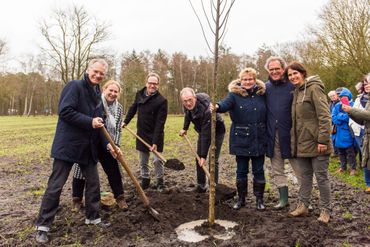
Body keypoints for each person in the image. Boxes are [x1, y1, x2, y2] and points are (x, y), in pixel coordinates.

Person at [35, 59, 115, 243]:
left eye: (101, 73)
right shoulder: (75, 86)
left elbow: (99, 124)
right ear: (88, 70)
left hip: (88, 147)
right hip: (68, 145)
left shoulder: (97, 92)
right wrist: (89, 121)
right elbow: (65, 111)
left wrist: (108, 144)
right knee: (56, 185)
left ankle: (93, 218)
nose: (98, 75)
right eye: (95, 71)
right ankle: (43, 226)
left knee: (94, 183)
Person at [211, 68, 267, 211]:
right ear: (240, 81)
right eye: (245, 79)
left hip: (259, 138)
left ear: (255, 80)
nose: (247, 82)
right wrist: (216, 106)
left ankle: (259, 199)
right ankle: (241, 199)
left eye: (250, 79)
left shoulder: (262, 94)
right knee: (241, 171)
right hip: (241, 138)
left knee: (258, 170)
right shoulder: (234, 95)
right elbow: (224, 104)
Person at [286, 61, 332, 223]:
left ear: (302, 73)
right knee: (305, 177)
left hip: (317, 143)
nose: (292, 77)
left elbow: (325, 116)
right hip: (302, 143)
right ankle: (303, 206)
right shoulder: (296, 92)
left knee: (321, 178)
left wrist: (323, 140)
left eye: (295, 73)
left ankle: (326, 210)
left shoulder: (314, 88)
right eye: (290, 75)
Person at [71, 80, 128, 212]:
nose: (112, 94)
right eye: (110, 90)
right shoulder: (95, 103)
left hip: (109, 144)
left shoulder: (119, 108)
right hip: (90, 141)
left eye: (116, 92)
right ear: (104, 89)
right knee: (80, 170)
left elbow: (118, 129)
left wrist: (116, 145)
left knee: (114, 169)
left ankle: (120, 197)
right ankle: (77, 200)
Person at [264, 56, 299, 209]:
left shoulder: (293, 85)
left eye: (277, 69)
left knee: (299, 169)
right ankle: (283, 199)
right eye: (271, 69)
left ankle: (305, 200)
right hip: (273, 135)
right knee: (277, 169)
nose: (274, 72)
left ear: (283, 69)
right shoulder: (265, 88)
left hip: (291, 134)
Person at [123, 72, 168, 191]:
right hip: (142, 133)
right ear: (146, 83)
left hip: (156, 134)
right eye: (150, 83)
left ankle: (160, 183)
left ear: (158, 85)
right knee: (143, 161)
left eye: (155, 84)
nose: (152, 85)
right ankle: (145, 180)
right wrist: (125, 121)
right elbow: (133, 108)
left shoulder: (162, 101)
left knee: (157, 160)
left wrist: (155, 142)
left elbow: (160, 123)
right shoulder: (139, 94)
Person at [179, 87, 225, 192]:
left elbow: (206, 134)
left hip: (217, 131)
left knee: (212, 159)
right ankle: (201, 185)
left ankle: (213, 187)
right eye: (185, 101)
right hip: (202, 130)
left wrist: (203, 155)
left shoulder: (206, 109)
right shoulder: (186, 105)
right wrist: (185, 128)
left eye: (190, 100)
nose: (188, 103)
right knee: (198, 158)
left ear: (194, 98)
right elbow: (187, 115)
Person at [343, 73, 370, 193]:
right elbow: (363, 121)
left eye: (369, 83)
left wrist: (352, 109)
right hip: (367, 135)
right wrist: (350, 113)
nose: (366, 85)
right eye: (365, 83)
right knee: (366, 160)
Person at [332, 88, 357, 175]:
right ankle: (343, 167)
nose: (343, 98)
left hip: (348, 132)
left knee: (350, 152)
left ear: (349, 97)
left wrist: (340, 116)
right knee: (340, 151)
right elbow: (333, 118)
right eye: (341, 97)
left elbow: (349, 117)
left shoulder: (353, 105)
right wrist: (341, 118)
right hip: (338, 132)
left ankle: (353, 168)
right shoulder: (337, 106)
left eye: (345, 97)